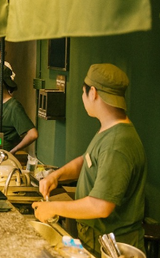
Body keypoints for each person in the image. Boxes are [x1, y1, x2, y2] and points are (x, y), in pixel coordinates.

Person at [32, 64, 146, 255]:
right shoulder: (110, 128)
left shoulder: (117, 144)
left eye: (83, 92)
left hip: (111, 247)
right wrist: (56, 176)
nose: (83, 97)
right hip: (94, 238)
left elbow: (100, 206)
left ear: (92, 92)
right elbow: (87, 160)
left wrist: (52, 207)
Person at [0, 63, 38, 154]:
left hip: (4, 159)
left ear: (1, 84)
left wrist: (13, 151)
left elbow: (33, 134)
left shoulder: (14, 107)